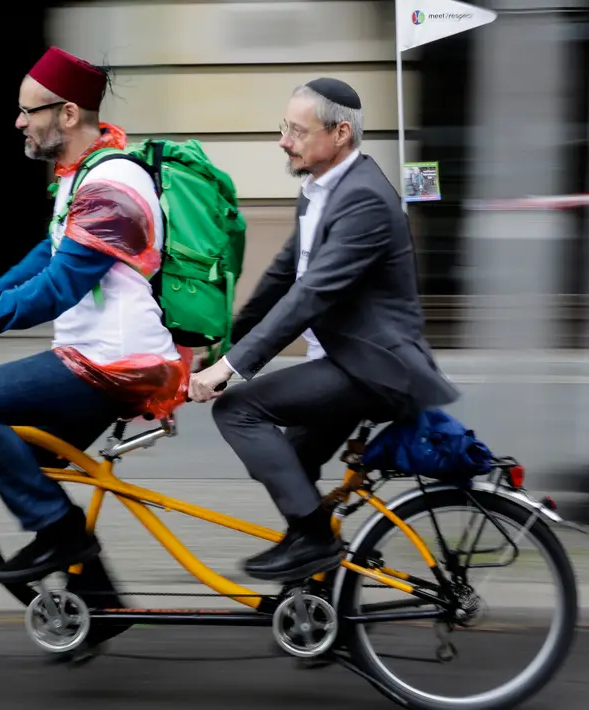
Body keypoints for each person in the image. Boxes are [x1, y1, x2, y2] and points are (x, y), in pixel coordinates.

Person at [0, 46, 189, 586]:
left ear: (67, 114)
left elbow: (58, 287)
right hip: (96, 355)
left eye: (28, 110)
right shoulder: (80, 175)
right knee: (23, 455)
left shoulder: (112, 184)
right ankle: (96, 601)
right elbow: (50, 253)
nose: (18, 121)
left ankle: (63, 535)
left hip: (114, 361)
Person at [188, 78, 460, 583]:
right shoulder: (318, 190)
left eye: (296, 130)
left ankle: (315, 542)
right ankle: (315, 604)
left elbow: (309, 297)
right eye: (283, 127)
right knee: (290, 465)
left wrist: (229, 371)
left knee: (238, 410)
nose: (283, 141)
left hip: (376, 368)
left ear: (339, 134)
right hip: (344, 361)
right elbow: (280, 279)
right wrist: (220, 347)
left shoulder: (365, 200)